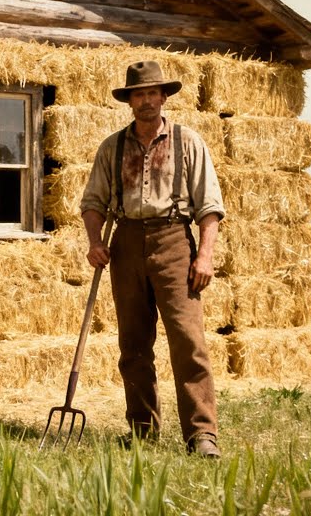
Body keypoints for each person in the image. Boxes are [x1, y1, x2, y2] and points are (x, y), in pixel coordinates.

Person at [79, 60, 225, 459]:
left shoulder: (188, 141)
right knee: (133, 344)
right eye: (138, 94)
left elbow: (209, 206)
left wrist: (205, 255)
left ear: (164, 97)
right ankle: (142, 429)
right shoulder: (112, 147)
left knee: (188, 341)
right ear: (130, 101)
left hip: (175, 241)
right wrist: (95, 242)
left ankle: (201, 435)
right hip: (126, 243)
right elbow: (92, 203)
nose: (146, 101)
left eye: (152, 93)